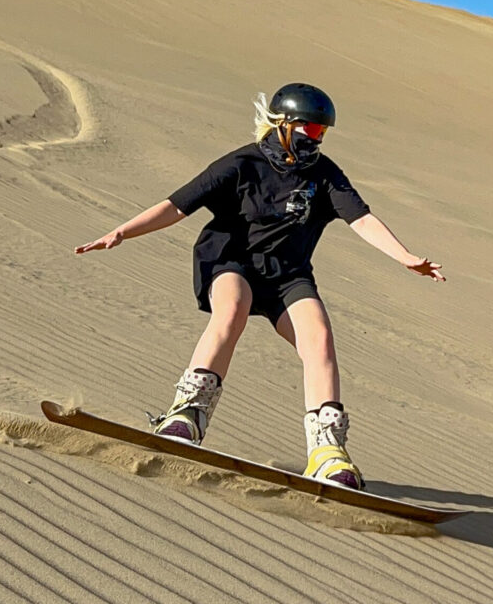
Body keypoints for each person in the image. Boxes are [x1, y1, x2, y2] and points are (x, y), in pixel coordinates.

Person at [75, 83, 445, 489]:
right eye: (312, 129)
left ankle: (327, 450)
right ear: (284, 124)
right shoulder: (243, 163)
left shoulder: (324, 174)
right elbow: (177, 205)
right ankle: (188, 413)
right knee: (231, 311)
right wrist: (122, 233)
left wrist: (404, 256)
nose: (317, 138)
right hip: (231, 260)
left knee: (319, 339)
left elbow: (361, 219)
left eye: (323, 132)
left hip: (288, 274)